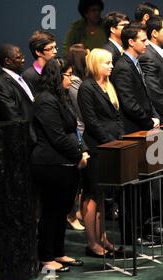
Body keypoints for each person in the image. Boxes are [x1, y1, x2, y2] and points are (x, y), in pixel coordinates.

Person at [31, 58, 88, 272]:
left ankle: (58, 252)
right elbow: (57, 137)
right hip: (50, 164)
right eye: (68, 75)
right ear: (57, 75)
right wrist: (78, 155)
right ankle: (46, 257)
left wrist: (81, 151)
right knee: (51, 211)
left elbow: (72, 130)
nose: (71, 78)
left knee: (61, 210)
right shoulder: (45, 100)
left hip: (65, 164)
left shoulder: (60, 98)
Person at [78, 48, 124, 257]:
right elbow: (91, 121)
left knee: (103, 194)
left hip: (111, 146)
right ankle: (92, 243)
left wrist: (121, 138)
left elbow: (116, 117)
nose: (111, 66)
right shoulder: (87, 88)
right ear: (97, 64)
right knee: (92, 194)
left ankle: (102, 238)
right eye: (107, 63)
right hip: (97, 148)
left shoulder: (108, 85)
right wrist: (109, 142)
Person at [112, 23, 160, 134]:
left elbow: (145, 96)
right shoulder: (123, 67)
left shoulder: (135, 62)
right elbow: (129, 104)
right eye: (143, 40)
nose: (147, 43)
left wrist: (154, 116)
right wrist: (149, 122)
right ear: (131, 42)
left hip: (144, 125)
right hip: (134, 129)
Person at [66, 43, 90, 231]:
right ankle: (72, 214)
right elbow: (81, 108)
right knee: (77, 177)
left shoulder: (80, 79)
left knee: (82, 180)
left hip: (82, 129)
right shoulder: (74, 81)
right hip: (80, 130)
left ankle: (79, 212)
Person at [0, 44, 35, 143]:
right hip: (26, 141)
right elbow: (14, 118)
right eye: (18, 58)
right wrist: (33, 139)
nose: (23, 60)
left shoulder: (24, 77)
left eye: (22, 57)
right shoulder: (1, 85)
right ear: (7, 61)